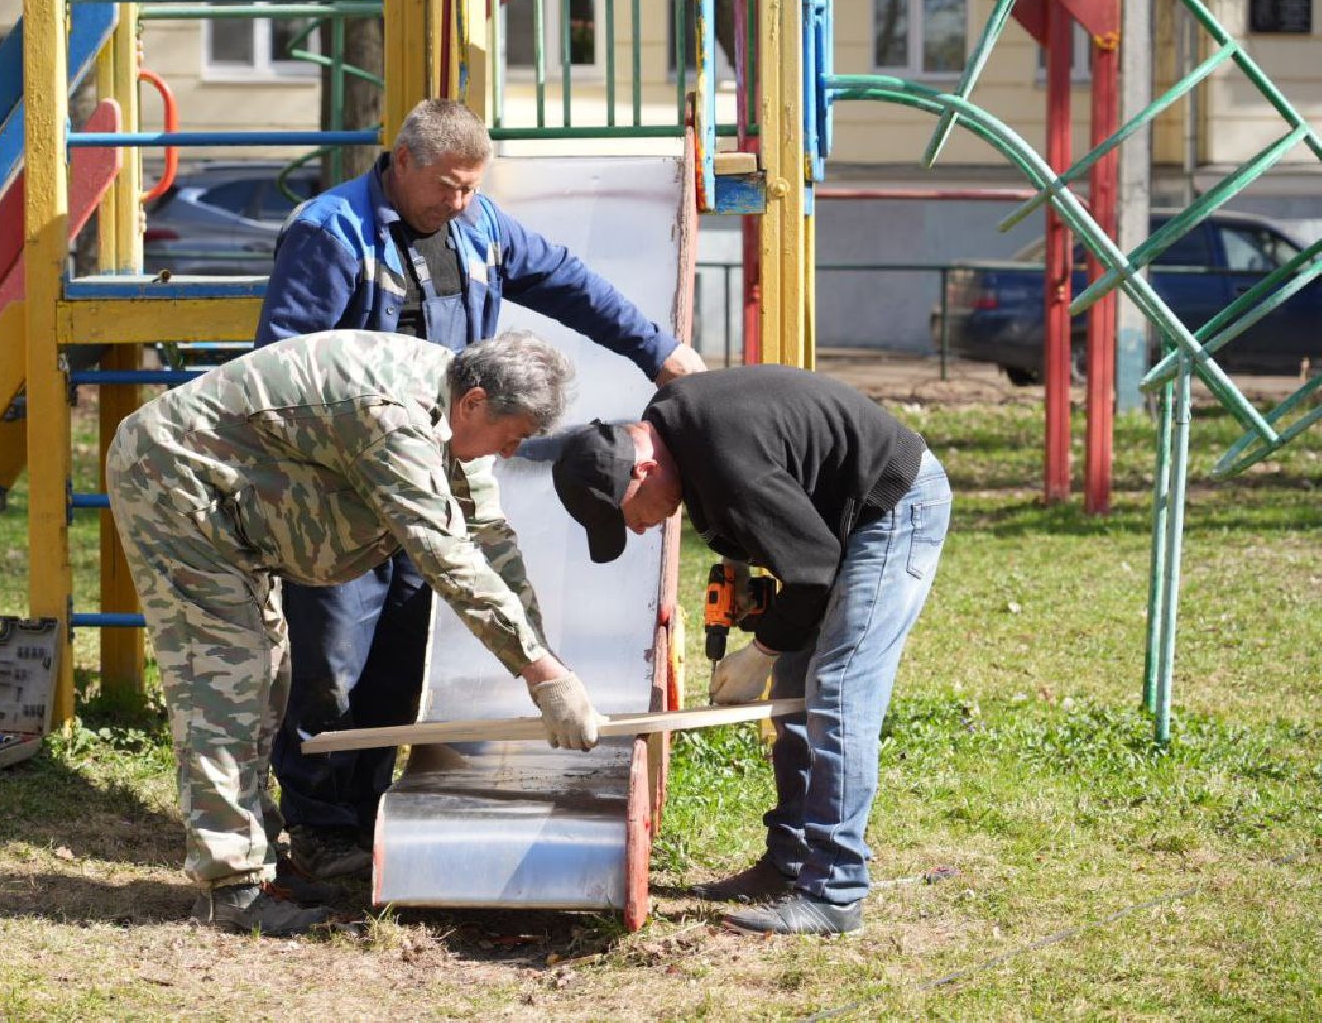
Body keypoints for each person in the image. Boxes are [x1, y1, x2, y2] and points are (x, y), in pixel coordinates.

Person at [256, 97, 705, 878]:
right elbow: (283, 366)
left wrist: (659, 352)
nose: (458, 203)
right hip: (340, 493)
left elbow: (569, 284)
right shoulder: (329, 234)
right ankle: (318, 823)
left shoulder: (478, 228)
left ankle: (366, 813)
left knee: (400, 655)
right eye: (446, 186)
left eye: (470, 187)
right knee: (332, 657)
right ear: (401, 164)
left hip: (435, 476)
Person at [106, 329, 605, 936]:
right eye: (511, 436)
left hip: (230, 506)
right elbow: (445, 555)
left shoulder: (450, 414)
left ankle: (259, 863)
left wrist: (547, 660)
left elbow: (491, 542)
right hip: (174, 482)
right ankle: (230, 889)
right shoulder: (394, 423)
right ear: (475, 403)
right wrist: (539, 674)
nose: (505, 452)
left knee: (267, 678)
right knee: (226, 684)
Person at [549, 365, 951, 935]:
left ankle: (835, 893)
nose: (638, 530)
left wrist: (758, 652)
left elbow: (812, 573)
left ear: (641, 469)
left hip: (892, 509)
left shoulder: (720, 454)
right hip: (839, 522)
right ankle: (789, 863)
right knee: (795, 694)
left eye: (627, 516)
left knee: (836, 689)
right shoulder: (679, 426)